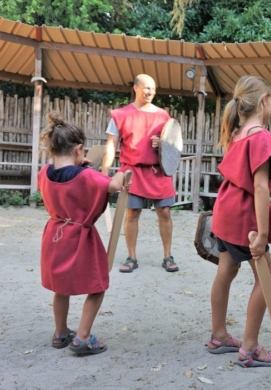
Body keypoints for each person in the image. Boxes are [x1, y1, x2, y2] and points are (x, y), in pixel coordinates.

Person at [208, 75, 271, 367]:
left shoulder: (237, 133)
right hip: (244, 216)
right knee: (267, 276)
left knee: (226, 268)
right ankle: (250, 347)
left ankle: (218, 335)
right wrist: (262, 234)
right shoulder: (261, 136)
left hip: (225, 210)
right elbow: (261, 186)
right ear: (264, 101)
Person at [39, 113, 128, 355]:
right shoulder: (87, 176)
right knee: (97, 285)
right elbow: (113, 185)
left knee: (61, 287)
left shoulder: (44, 173)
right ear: (79, 149)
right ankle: (83, 337)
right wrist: (122, 171)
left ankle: (60, 333)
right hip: (79, 238)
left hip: (54, 234)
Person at [102, 74, 179, 273]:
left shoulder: (163, 116)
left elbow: (172, 144)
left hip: (158, 171)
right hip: (132, 170)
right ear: (135, 88)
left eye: (153, 89)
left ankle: (168, 256)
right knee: (132, 213)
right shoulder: (120, 115)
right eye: (146, 88)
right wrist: (104, 173)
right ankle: (131, 257)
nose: (150, 92)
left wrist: (161, 144)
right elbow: (111, 145)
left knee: (165, 212)